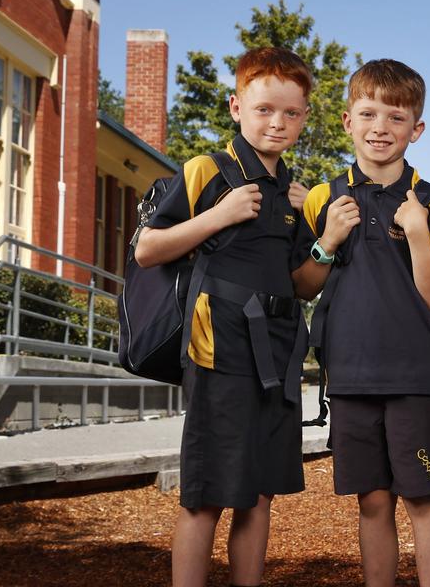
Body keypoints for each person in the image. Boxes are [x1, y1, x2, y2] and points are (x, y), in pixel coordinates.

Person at [135, 46, 314, 587]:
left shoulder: (294, 193)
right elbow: (147, 249)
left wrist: (323, 236)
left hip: (278, 355)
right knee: (207, 492)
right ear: (237, 107)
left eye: (290, 113)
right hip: (219, 349)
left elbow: (302, 283)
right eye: (264, 109)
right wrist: (219, 214)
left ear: (305, 118)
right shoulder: (206, 171)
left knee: (258, 494)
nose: (277, 123)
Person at [293, 59, 430, 587]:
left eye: (396, 116)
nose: (380, 127)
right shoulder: (322, 199)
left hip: (417, 379)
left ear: (417, 128)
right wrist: (328, 241)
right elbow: (303, 285)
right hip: (350, 378)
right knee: (373, 501)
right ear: (347, 121)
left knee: (425, 500)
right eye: (368, 114)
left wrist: (414, 232)